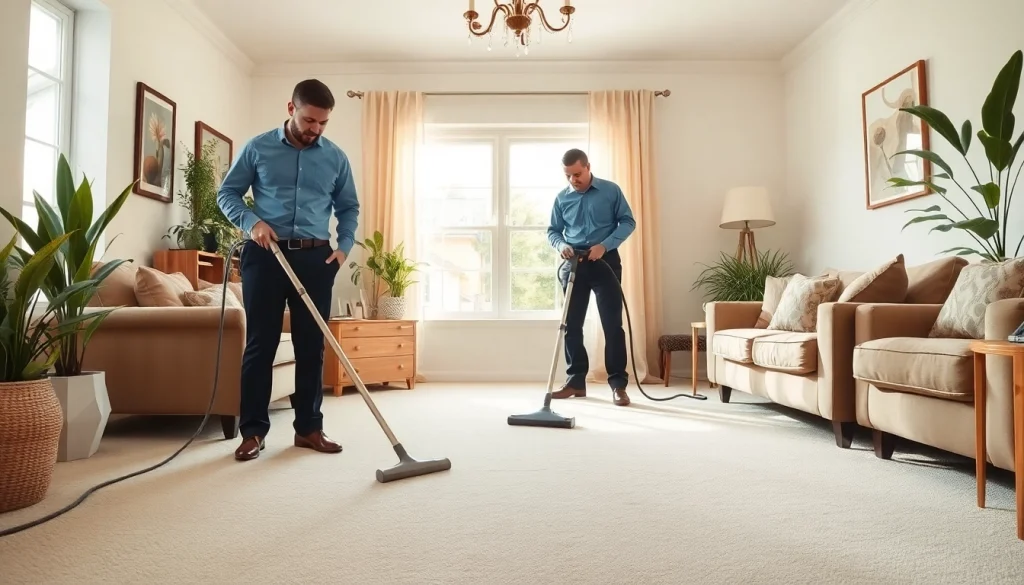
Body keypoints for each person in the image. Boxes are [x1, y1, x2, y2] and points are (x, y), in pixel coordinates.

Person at [217, 79, 359, 461]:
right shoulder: (258, 147)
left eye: (323, 123)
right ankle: (252, 433)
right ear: (291, 108)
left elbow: (349, 208)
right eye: (310, 119)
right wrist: (251, 223)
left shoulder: (335, 157)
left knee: (311, 346)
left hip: (316, 259)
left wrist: (343, 249)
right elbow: (226, 194)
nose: (315, 129)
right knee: (260, 345)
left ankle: (310, 429)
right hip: (266, 255)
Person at [546, 148, 636, 407]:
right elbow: (553, 231)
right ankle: (575, 382)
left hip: (605, 262)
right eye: (568, 176)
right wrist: (560, 244)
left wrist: (605, 245)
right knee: (571, 326)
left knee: (612, 326)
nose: (573, 180)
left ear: (588, 167)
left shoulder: (610, 190)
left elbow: (628, 222)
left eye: (577, 174)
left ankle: (618, 385)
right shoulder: (562, 198)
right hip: (574, 264)